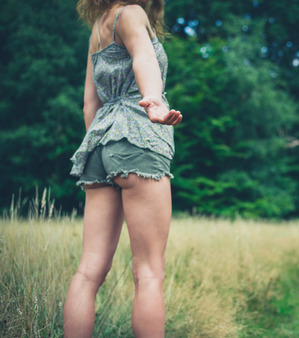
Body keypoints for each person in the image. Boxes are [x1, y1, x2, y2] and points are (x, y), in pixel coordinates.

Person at [64, 0, 182, 337]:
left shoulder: (98, 27)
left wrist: (101, 148)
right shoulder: (131, 13)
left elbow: (90, 104)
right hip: (137, 136)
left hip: (99, 143)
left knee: (88, 273)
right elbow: (145, 58)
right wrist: (154, 102)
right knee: (148, 273)